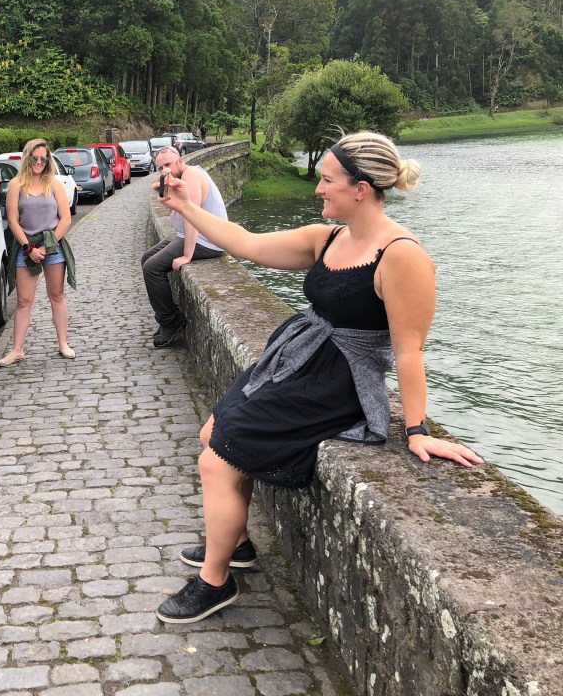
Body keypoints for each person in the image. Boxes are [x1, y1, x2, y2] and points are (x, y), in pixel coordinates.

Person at [153, 130, 485, 624]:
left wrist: (417, 430)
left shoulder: (402, 254)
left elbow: (409, 350)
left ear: (361, 188)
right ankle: (236, 542)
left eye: (328, 180)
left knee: (215, 460)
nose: (318, 188)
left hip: (339, 381)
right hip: (300, 359)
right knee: (211, 434)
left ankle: (216, 581)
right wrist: (185, 206)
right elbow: (246, 242)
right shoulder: (328, 237)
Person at [0, 138, 76, 366]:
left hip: (52, 244)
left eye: (43, 158)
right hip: (26, 245)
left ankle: (63, 343)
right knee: (23, 300)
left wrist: (46, 246)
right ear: (27, 157)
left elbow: (66, 218)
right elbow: (13, 220)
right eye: (35, 157)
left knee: (56, 295)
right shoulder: (16, 185)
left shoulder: (54, 184)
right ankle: (17, 350)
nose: (39, 162)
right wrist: (28, 248)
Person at [142, 145, 228, 348]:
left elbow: (191, 217)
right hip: (189, 236)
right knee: (146, 258)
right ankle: (168, 315)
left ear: (180, 161)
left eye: (168, 165)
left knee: (152, 268)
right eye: (160, 167)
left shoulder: (191, 176)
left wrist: (187, 255)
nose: (165, 170)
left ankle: (170, 321)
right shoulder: (178, 178)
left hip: (206, 241)